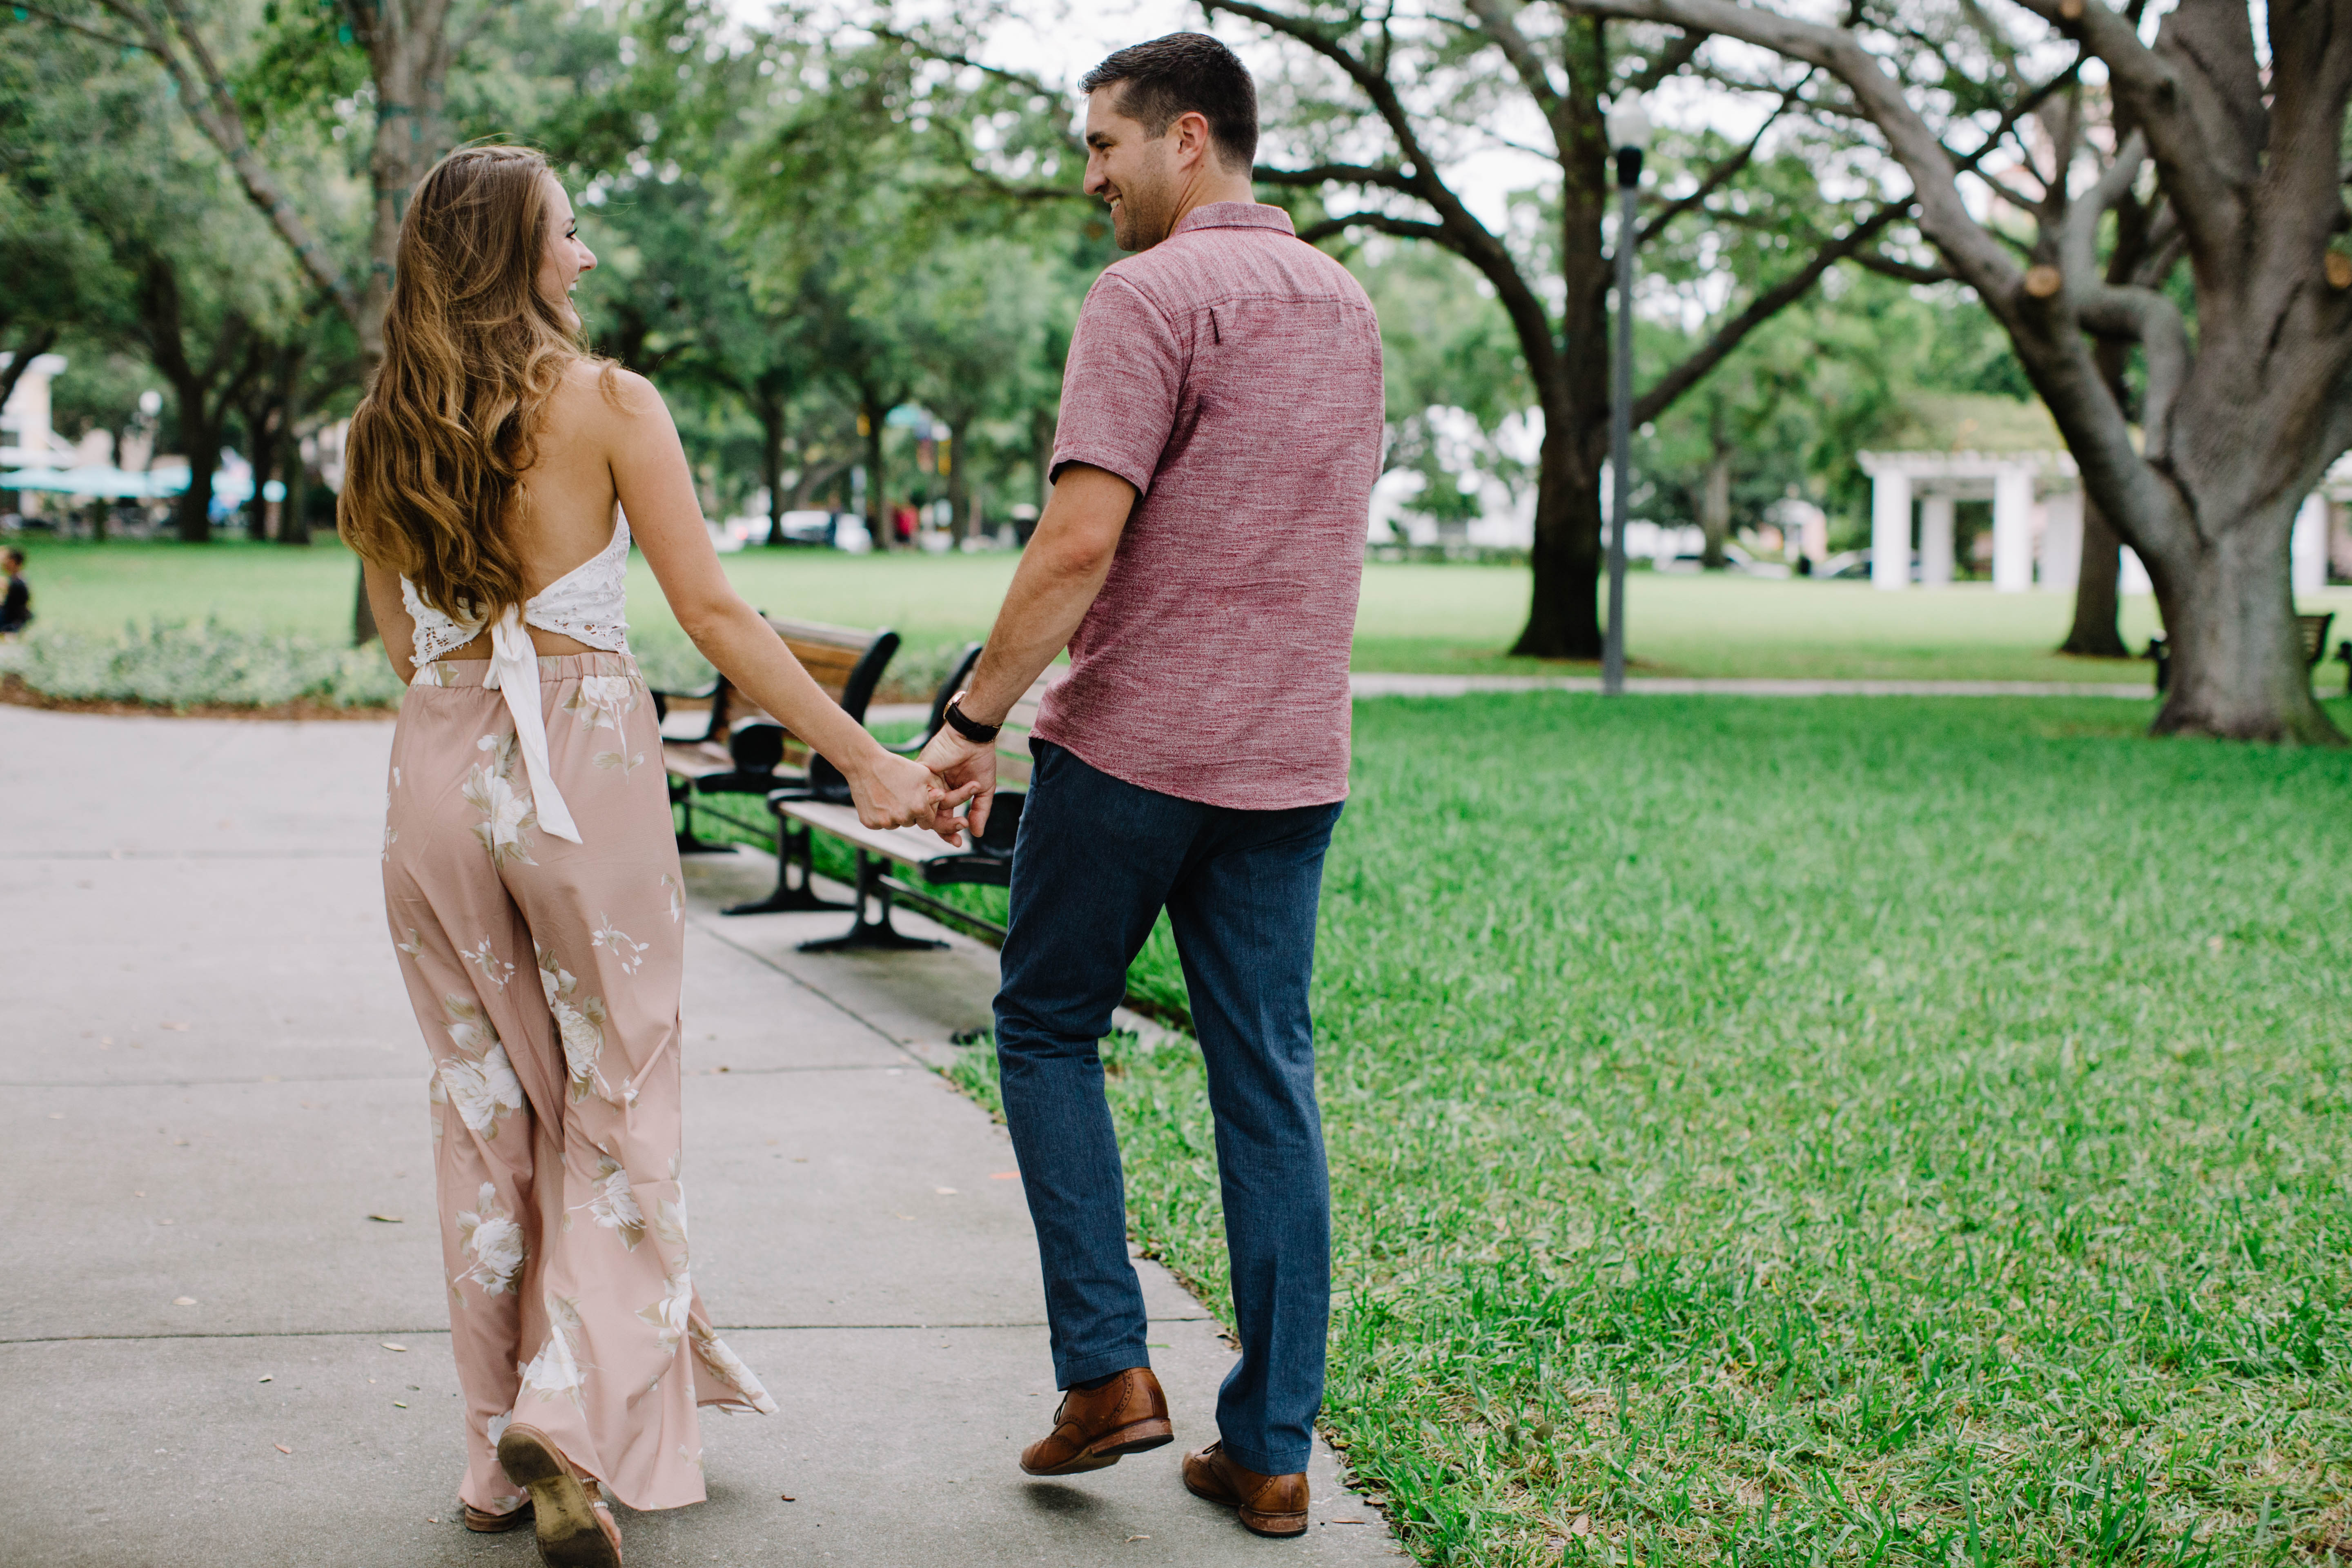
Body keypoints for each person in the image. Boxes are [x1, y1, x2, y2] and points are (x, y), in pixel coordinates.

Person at [340, 144, 971, 1568]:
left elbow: (403, 647)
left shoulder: (377, 429)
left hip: (437, 780)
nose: (590, 257)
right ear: (514, 253)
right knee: (617, 1096)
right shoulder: (610, 402)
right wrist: (865, 759)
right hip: (583, 773)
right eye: (569, 234)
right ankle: (564, 1421)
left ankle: (492, 1449)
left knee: (482, 1108)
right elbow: (719, 617)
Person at [917, 33, 1384, 1541]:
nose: (1089, 177)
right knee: (1267, 1079)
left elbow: (1075, 540)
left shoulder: (1145, 295)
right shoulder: (1350, 307)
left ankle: (1108, 1373)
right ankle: (1268, 1448)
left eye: (1103, 146)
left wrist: (970, 713)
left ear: (1191, 138)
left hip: (1126, 753)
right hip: (1286, 763)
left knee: (1044, 1025)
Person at [0, 547, 29, 635]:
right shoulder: (20, 579)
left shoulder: (17, 583)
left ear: (13, 562)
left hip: (10, 625)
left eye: (5, 560)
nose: (3, 563)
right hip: (15, 622)